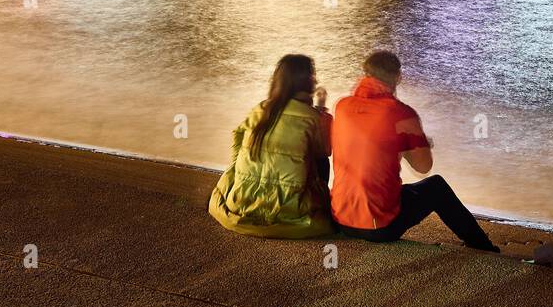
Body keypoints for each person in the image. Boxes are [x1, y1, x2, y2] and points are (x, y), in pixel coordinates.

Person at [331, 50, 499, 251]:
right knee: (436, 187)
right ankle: (483, 247)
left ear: (365, 74)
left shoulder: (342, 106)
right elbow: (423, 166)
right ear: (398, 77)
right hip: (379, 228)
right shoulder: (401, 113)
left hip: (340, 219)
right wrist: (416, 143)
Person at [209, 54, 332, 238]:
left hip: (241, 200)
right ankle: (321, 202)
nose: (316, 80)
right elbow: (324, 150)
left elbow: (236, 136)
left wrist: (237, 170)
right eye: (313, 76)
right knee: (321, 161)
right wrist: (321, 111)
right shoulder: (313, 118)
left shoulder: (260, 109)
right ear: (306, 82)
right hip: (289, 208)